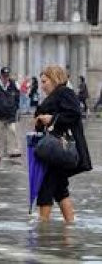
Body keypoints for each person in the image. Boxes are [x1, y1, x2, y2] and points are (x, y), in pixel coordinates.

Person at [34, 65, 92, 223]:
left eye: (44, 81)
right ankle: (70, 224)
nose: (42, 85)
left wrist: (51, 119)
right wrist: (41, 120)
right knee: (59, 188)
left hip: (62, 149)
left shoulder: (65, 92)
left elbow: (73, 114)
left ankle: (42, 226)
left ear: (54, 79)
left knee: (46, 185)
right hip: (56, 150)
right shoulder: (56, 94)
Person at [0, 67, 21, 160]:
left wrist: (16, 108)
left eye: (7, 76)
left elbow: (17, 97)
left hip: (10, 114)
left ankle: (13, 151)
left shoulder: (13, 84)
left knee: (12, 130)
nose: (6, 78)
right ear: (1, 76)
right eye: (4, 76)